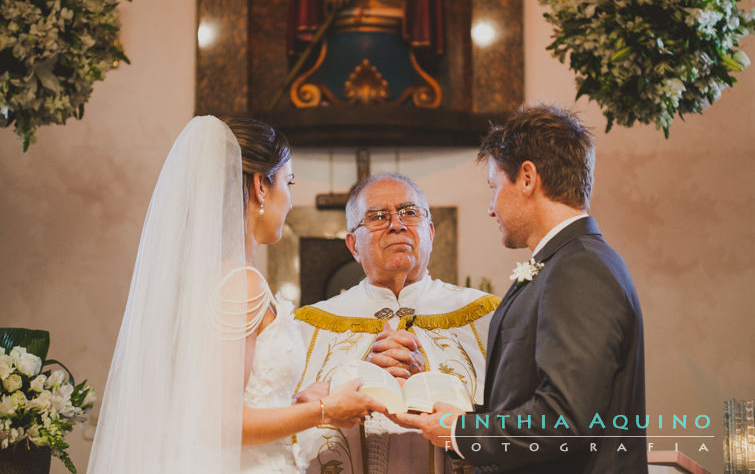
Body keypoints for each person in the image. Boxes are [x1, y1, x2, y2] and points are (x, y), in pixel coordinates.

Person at [87, 116, 385, 474]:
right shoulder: (241, 284)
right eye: (287, 182)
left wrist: (295, 401)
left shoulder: (211, 278)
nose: (290, 201)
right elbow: (218, 424)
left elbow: (222, 397)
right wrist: (324, 412)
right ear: (261, 186)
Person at [392, 105, 648, 473]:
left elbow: (565, 419)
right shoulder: (565, 263)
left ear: (527, 178)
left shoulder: (579, 268)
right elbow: (534, 399)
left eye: (495, 188)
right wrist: (462, 418)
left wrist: (462, 432)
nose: (492, 208)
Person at [294, 173, 500, 474]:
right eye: (378, 217)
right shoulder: (308, 326)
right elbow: (284, 429)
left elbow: (517, 422)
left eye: (410, 212)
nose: (397, 224)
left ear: (430, 231)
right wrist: (359, 374)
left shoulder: (486, 315)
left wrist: (432, 383)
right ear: (352, 244)